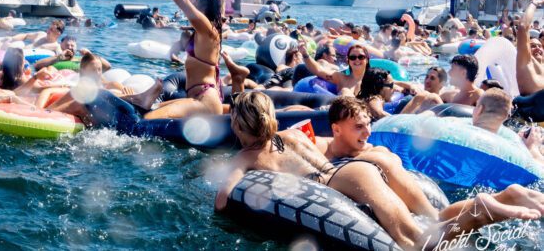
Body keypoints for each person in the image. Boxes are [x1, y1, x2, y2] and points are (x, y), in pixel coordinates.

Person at [214, 92, 544, 251]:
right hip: (352, 173)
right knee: (431, 220)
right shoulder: (292, 136)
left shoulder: (246, 157)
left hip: (345, 180)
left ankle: (486, 209)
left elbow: (222, 201)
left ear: (238, 124)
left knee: (413, 243)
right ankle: (503, 197)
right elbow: (316, 151)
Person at [142, 0, 224, 119]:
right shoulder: (204, 28)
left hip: (205, 102)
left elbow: (185, 0)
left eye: (197, 4)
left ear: (204, 8)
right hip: (195, 98)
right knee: (149, 108)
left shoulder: (208, 30)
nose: (193, 3)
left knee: (149, 119)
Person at [297, 41, 372, 95]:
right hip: (343, 113)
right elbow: (318, 70)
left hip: (365, 114)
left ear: (367, 60)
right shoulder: (341, 78)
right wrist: (305, 54)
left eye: (361, 57)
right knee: (345, 91)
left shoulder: (373, 79)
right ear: (348, 61)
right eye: (353, 57)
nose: (357, 60)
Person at [516, 3, 544, 95]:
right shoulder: (526, 64)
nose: (538, 48)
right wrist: (534, 3)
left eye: (539, 46)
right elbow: (523, 27)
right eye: (533, 46)